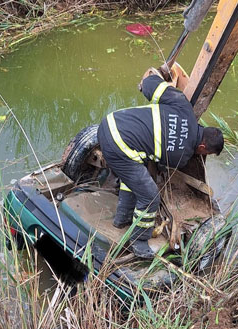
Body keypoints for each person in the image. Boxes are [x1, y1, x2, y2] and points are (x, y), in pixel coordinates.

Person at [96, 68, 224, 259]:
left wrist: (156, 76)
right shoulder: (181, 157)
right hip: (119, 146)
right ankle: (138, 241)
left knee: (134, 179)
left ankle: (121, 219)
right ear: (203, 146)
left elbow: (149, 84)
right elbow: (161, 166)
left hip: (109, 123)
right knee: (150, 197)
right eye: (207, 153)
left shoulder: (183, 107)